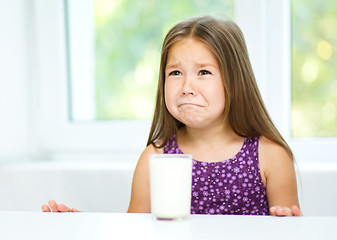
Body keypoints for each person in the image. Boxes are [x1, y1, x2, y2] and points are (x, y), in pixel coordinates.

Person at [42, 16, 302, 216]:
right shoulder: (155, 158)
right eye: (175, 73)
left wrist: (290, 228)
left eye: (203, 72)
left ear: (235, 81)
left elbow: (287, 229)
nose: (186, 87)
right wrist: (79, 228)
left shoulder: (270, 156)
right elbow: (134, 234)